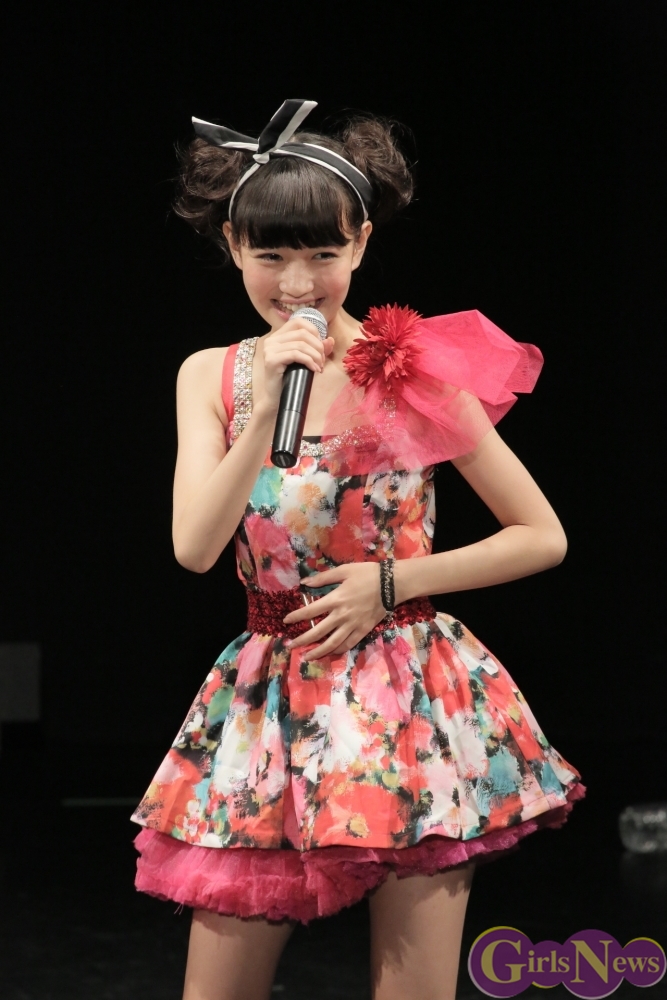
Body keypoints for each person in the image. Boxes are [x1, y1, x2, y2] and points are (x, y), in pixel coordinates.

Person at [131, 99, 584, 1000]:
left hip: (405, 694)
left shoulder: (412, 370)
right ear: (232, 246)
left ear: (361, 244)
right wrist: (266, 408)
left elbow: (541, 536)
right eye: (271, 255)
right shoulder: (211, 376)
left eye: (322, 253)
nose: (298, 281)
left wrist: (389, 582)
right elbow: (193, 547)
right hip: (267, 696)